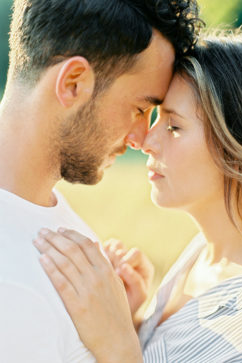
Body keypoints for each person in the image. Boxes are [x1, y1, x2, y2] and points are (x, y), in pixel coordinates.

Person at [34, 31, 242, 362]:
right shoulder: (203, 254)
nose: (145, 141)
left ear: (237, 147)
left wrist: (117, 343)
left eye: (174, 127)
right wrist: (133, 320)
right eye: (156, 118)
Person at [0, 0, 201, 361]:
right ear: (73, 83)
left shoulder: (45, 214)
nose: (141, 139)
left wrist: (125, 322)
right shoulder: (9, 281)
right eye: (140, 109)